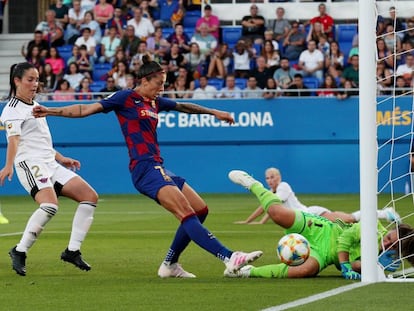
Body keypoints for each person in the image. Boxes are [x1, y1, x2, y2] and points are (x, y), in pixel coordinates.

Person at [32, 55, 263, 278]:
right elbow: (85, 109)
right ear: (144, 81)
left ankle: (170, 265)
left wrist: (214, 112)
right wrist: (51, 111)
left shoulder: (155, 101)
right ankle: (229, 257)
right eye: (158, 84)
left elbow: (183, 106)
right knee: (185, 212)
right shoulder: (124, 98)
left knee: (200, 210)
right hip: (144, 168)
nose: (161, 89)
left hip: (158, 166)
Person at [0, 62, 98, 276]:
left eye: (37, 79)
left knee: (90, 197)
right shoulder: (12, 110)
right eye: (30, 79)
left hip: (50, 162)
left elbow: (41, 142)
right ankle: (20, 250)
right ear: (17, 81)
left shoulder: (35, 106)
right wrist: (8, 166)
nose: (35, 84)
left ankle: (72, 251)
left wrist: (61, 158)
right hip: (29, 163)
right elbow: (14, 140)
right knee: (50, 206)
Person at [225, 170, 414, 279]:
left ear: (400, 250)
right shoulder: (372, 229)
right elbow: (345, 239)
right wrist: (347, 265)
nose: (388, 243)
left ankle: (246, 271)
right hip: (322, 230)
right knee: (276, 214)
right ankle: (252, 183)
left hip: (324, 254)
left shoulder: (390, 264)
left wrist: (365, 266)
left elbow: (355, 266)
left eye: (393, 245)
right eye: (390, 238)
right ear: (389, 230)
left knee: (306, 271)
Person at [235, 167, 400, 225]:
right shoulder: (273, 192)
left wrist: (259, 222)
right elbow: (267, 207)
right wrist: (250, 221)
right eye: (267, 178)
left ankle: (385, 213)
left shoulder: (283, 187)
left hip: (310, 214)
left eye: (272, 177)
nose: (270, 180)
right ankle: (383, 214)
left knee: (348, 219)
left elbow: (272, 207)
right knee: (348, 223)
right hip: (305, 219)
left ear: (279, 177)